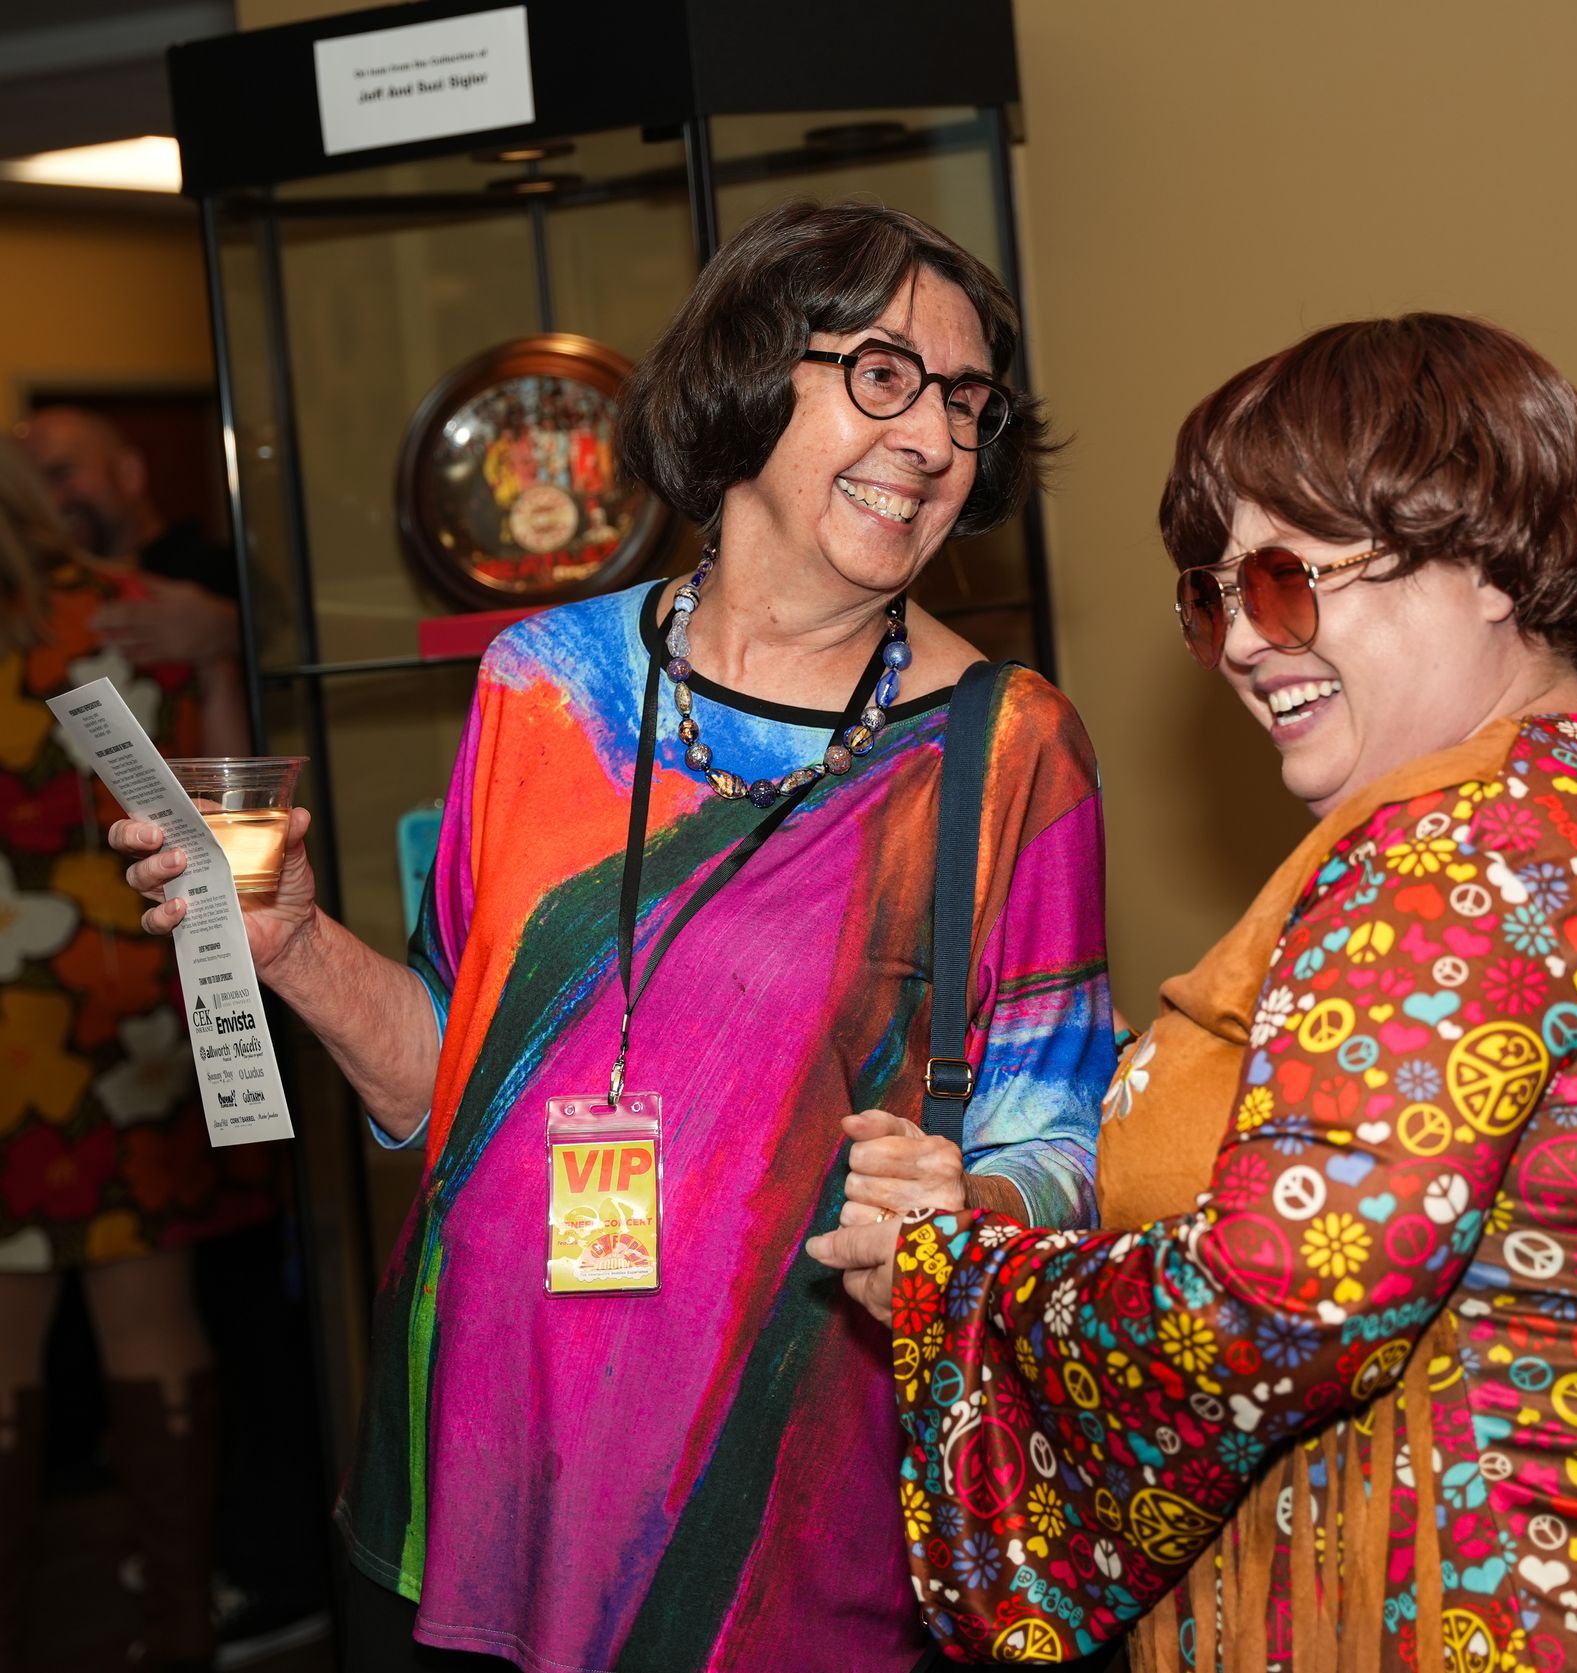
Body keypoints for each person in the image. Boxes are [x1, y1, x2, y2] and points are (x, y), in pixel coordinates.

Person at [813, 315, 1577, 1671]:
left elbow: (1277, 1301)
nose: (1236, 640)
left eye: (1283, 580)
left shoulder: (1474, 840)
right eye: (1209, 596)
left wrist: (949, 1275)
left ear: (1490, 562)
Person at [113, 199, 1115, 1672]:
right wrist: (296, 944)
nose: (935, 437)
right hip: (474, 1473)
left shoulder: (1005, 749)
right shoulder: (543, 679)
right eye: (886, 375)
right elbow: (442, 1091)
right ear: (749, 375)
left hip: (776, 1521)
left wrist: (973, 1195)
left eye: (966, 402)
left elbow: (1069, 1138)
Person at [0, 436, 273, 1672]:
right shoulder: (140, 612)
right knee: (152, 1321)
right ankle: (177, 1630)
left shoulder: (138, 607)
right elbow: (220, 806)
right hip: (134, 1009)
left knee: (8, 1341)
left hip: (32, 1036)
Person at [17, 406, 243, 672]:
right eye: (32, 489)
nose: (49, 503)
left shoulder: (224, 571)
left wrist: (229, 628)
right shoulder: (37, 596)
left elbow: (291, 640)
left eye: (61, 473)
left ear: (129, 473)